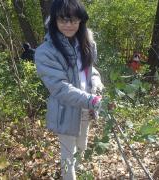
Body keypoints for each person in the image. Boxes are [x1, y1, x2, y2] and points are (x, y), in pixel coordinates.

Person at [34, 0, 104, 179]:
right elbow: (59, 87)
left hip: (86, 108)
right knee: (68, 156)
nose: (68, 25)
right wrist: (92, 100)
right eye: (63, 19)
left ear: (81, 20)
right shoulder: (45, 51)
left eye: (73, 20)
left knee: (82, 147)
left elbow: (90, 71)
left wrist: (96, 84)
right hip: (65, 110)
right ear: (54, 20)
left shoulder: (86, 43)